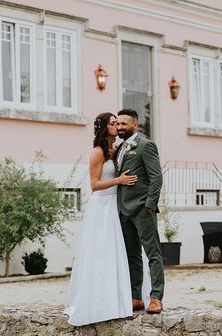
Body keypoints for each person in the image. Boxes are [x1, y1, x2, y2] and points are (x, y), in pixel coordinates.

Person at [64, 112, 138, 326]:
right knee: (102, 252)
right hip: (102, 206)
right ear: (105, 128)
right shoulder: (97, 152)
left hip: (116, 204)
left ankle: (119, 298)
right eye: (113, 123)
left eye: (118, 122)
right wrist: (119, 180)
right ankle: (98, 301)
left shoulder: (116, 149)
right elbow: (94, 185)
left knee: (118, 251)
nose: (117, 126)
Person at [115, 108, 165, 314]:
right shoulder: (118, 149)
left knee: (153, 254)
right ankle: (136, 298)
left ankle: (156, 297)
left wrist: (150, 205)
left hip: (143, 210)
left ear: (135, 125)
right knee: (132, 256)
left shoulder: (146, 146)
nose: (119, 127)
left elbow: (156, 177)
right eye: (117, 124)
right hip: (123, 210)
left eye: (123, 124)